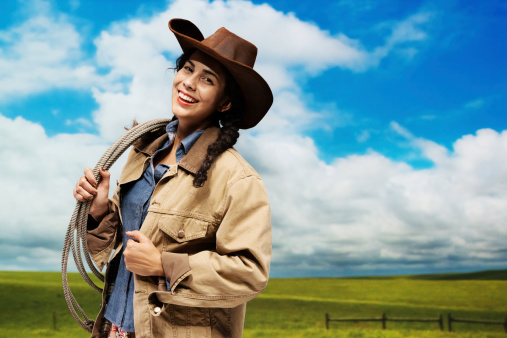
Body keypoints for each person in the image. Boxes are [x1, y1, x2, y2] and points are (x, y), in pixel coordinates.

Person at [73, 18, 273, 338]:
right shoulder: (141, 151)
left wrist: (165, 265)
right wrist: (98, 210)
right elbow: (125, 236)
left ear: (225, 102)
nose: (189, 83)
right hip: (115, 326)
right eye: (187, 69)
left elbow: (250, 274)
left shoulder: (238, 180)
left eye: (207, 79)